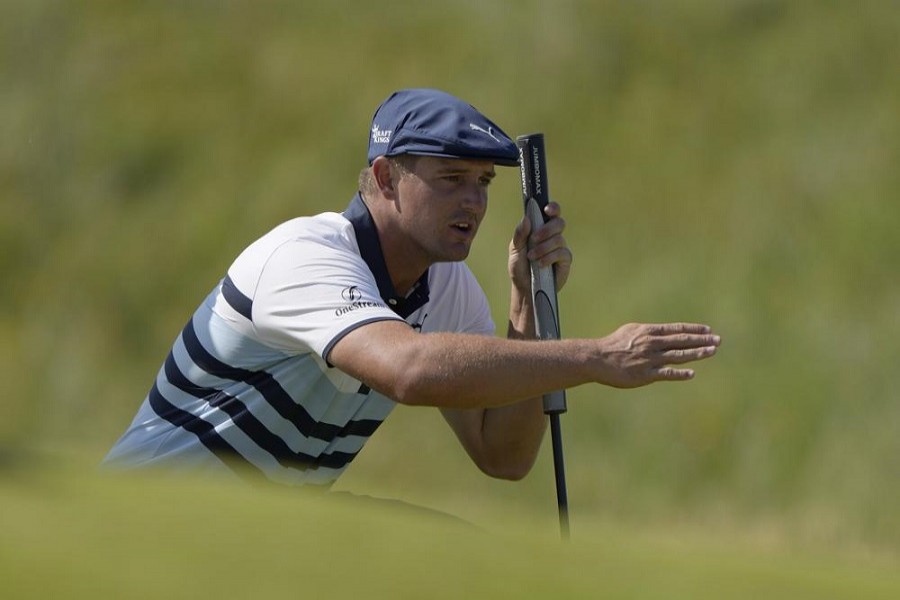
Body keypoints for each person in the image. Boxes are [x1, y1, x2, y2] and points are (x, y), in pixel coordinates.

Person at [104, 88, 720, 487]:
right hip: (138, 519)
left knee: (468, 564)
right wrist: (597, 357)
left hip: (250, 533)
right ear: (385, 176)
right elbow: (409, 371)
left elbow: (501, 452)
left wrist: (526, 303)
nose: (475, 202)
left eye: (483, 182)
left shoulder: (446, 288)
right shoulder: (304, 256)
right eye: (452, 178)